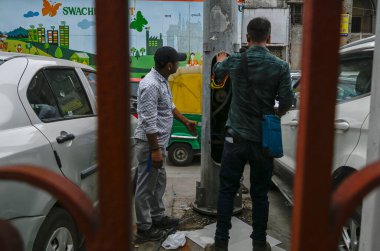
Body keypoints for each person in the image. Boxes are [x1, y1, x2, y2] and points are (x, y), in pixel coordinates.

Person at [212, 17, 294, 251]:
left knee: (227, 189)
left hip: (235, 136)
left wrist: (220, 60)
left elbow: (218, 73)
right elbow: (287, 100)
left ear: (247, 38)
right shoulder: (280, 66)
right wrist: (277, 112)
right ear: (268, 37)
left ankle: (221, 243)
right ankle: (259, 243)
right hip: (262, 141)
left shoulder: (236, 61)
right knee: (260, 194)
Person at [134, 46, 197, 241]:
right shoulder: (151, 85)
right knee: (145, 188)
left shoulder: (161, 81)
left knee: (158, 183)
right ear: (170, 65)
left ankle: (157, 217)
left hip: (158, 144)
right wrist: (155, 150)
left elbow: (170, 106)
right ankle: (145, 228)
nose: (179, 64)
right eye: (177, 62)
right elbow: (148, 121)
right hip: (149, 145)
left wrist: (185, 121)